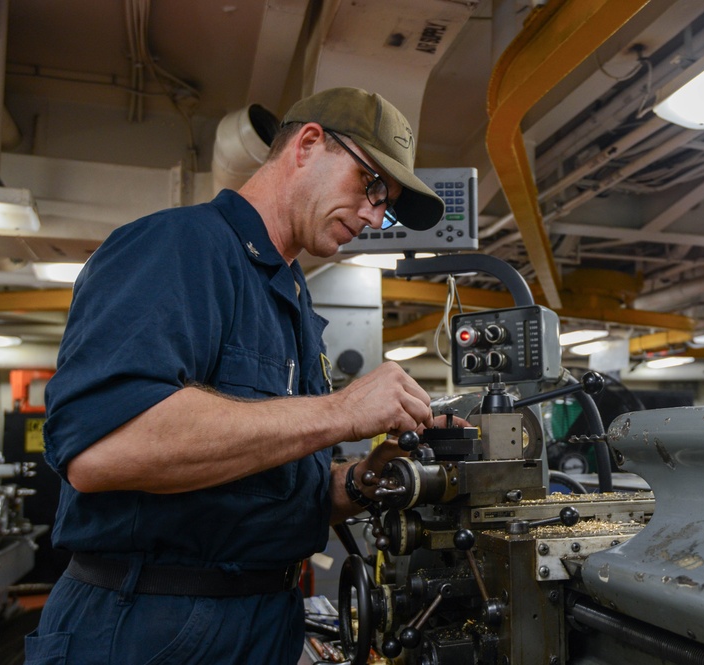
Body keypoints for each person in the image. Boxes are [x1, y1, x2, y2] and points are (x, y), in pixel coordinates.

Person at [25, 87, 447, 664]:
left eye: (387, 203)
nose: (375, 214)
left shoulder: (293, 301)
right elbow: (102, 450)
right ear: (308, 144)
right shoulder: (179, 248)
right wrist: (342, 410)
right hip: (148, 624)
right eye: (371, 184)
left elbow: (255, 490)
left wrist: (361, 480)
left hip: (261, 618)